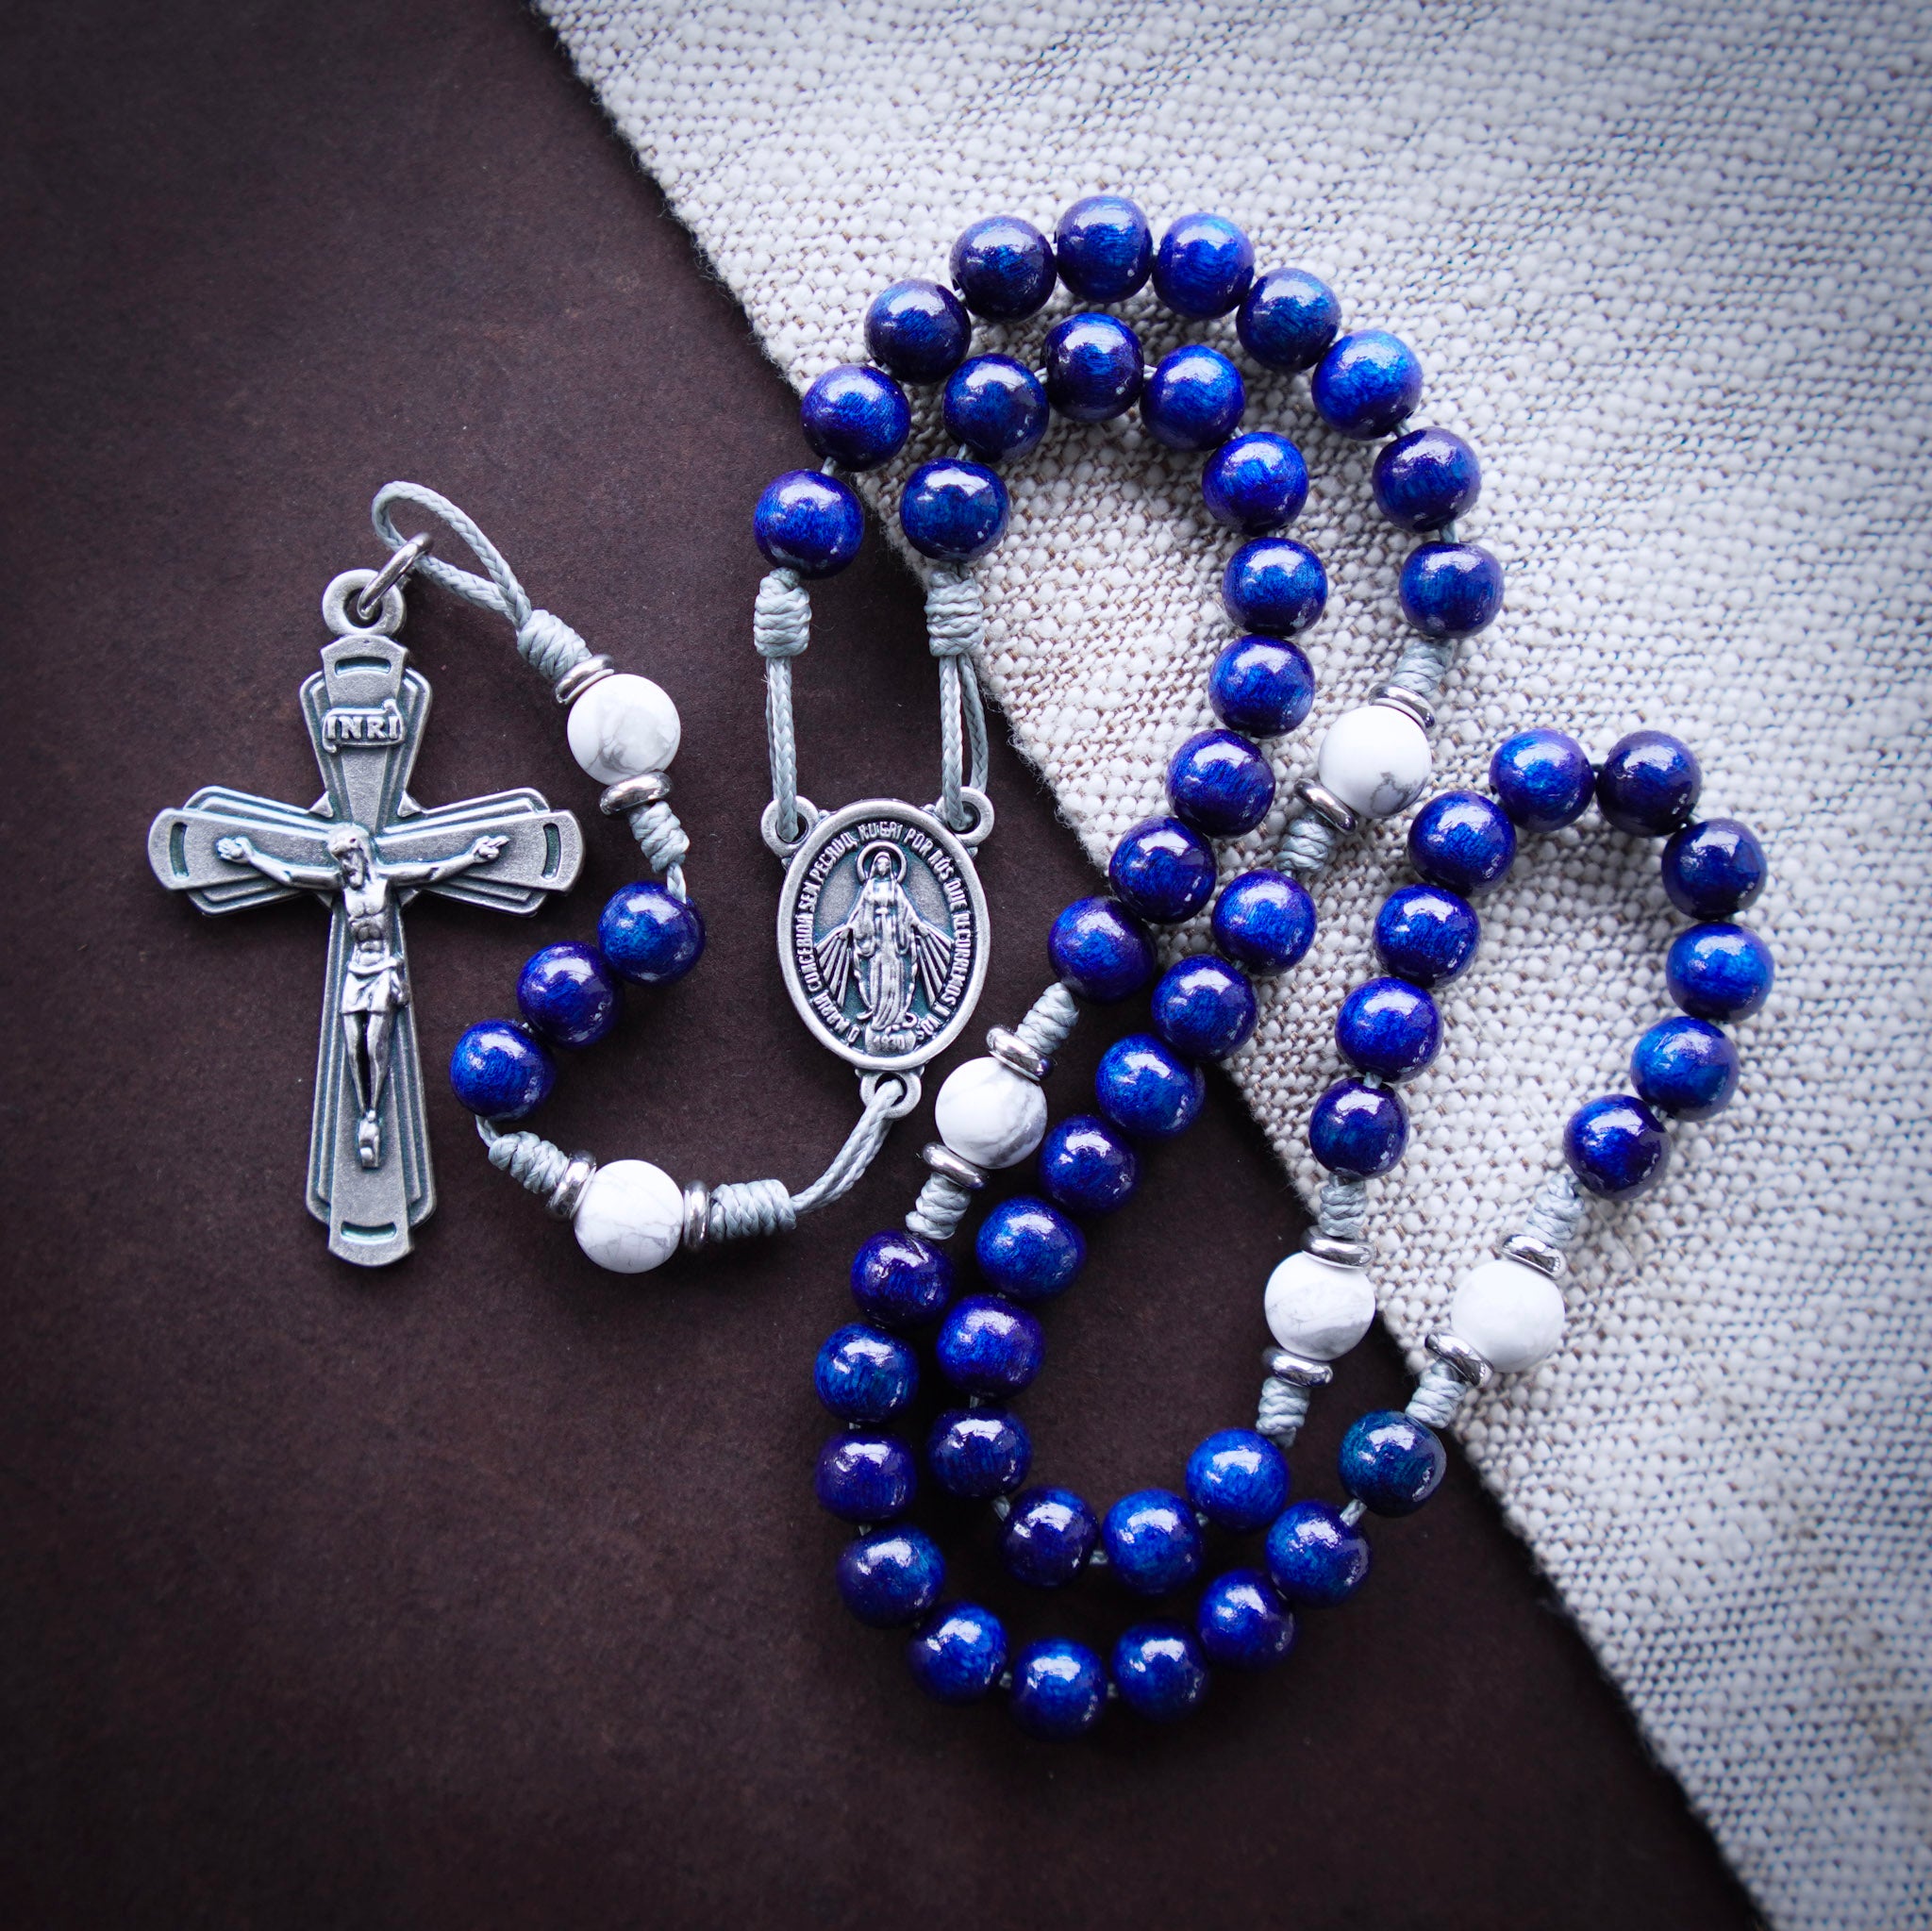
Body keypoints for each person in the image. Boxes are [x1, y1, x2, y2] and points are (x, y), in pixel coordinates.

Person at [214, 824, 506, 1167]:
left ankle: (371, 1113)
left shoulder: (385, 881)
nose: (345, 866)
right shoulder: (339, 884)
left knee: (373, 1044)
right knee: (353, 1047)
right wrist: (252, 858)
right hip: (355, 972)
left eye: (348, 858)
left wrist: (471, 857)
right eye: (339, 860)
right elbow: (292, 876)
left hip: (383, 969)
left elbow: (432, 870)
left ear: (361, 854)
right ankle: (365, 1108)